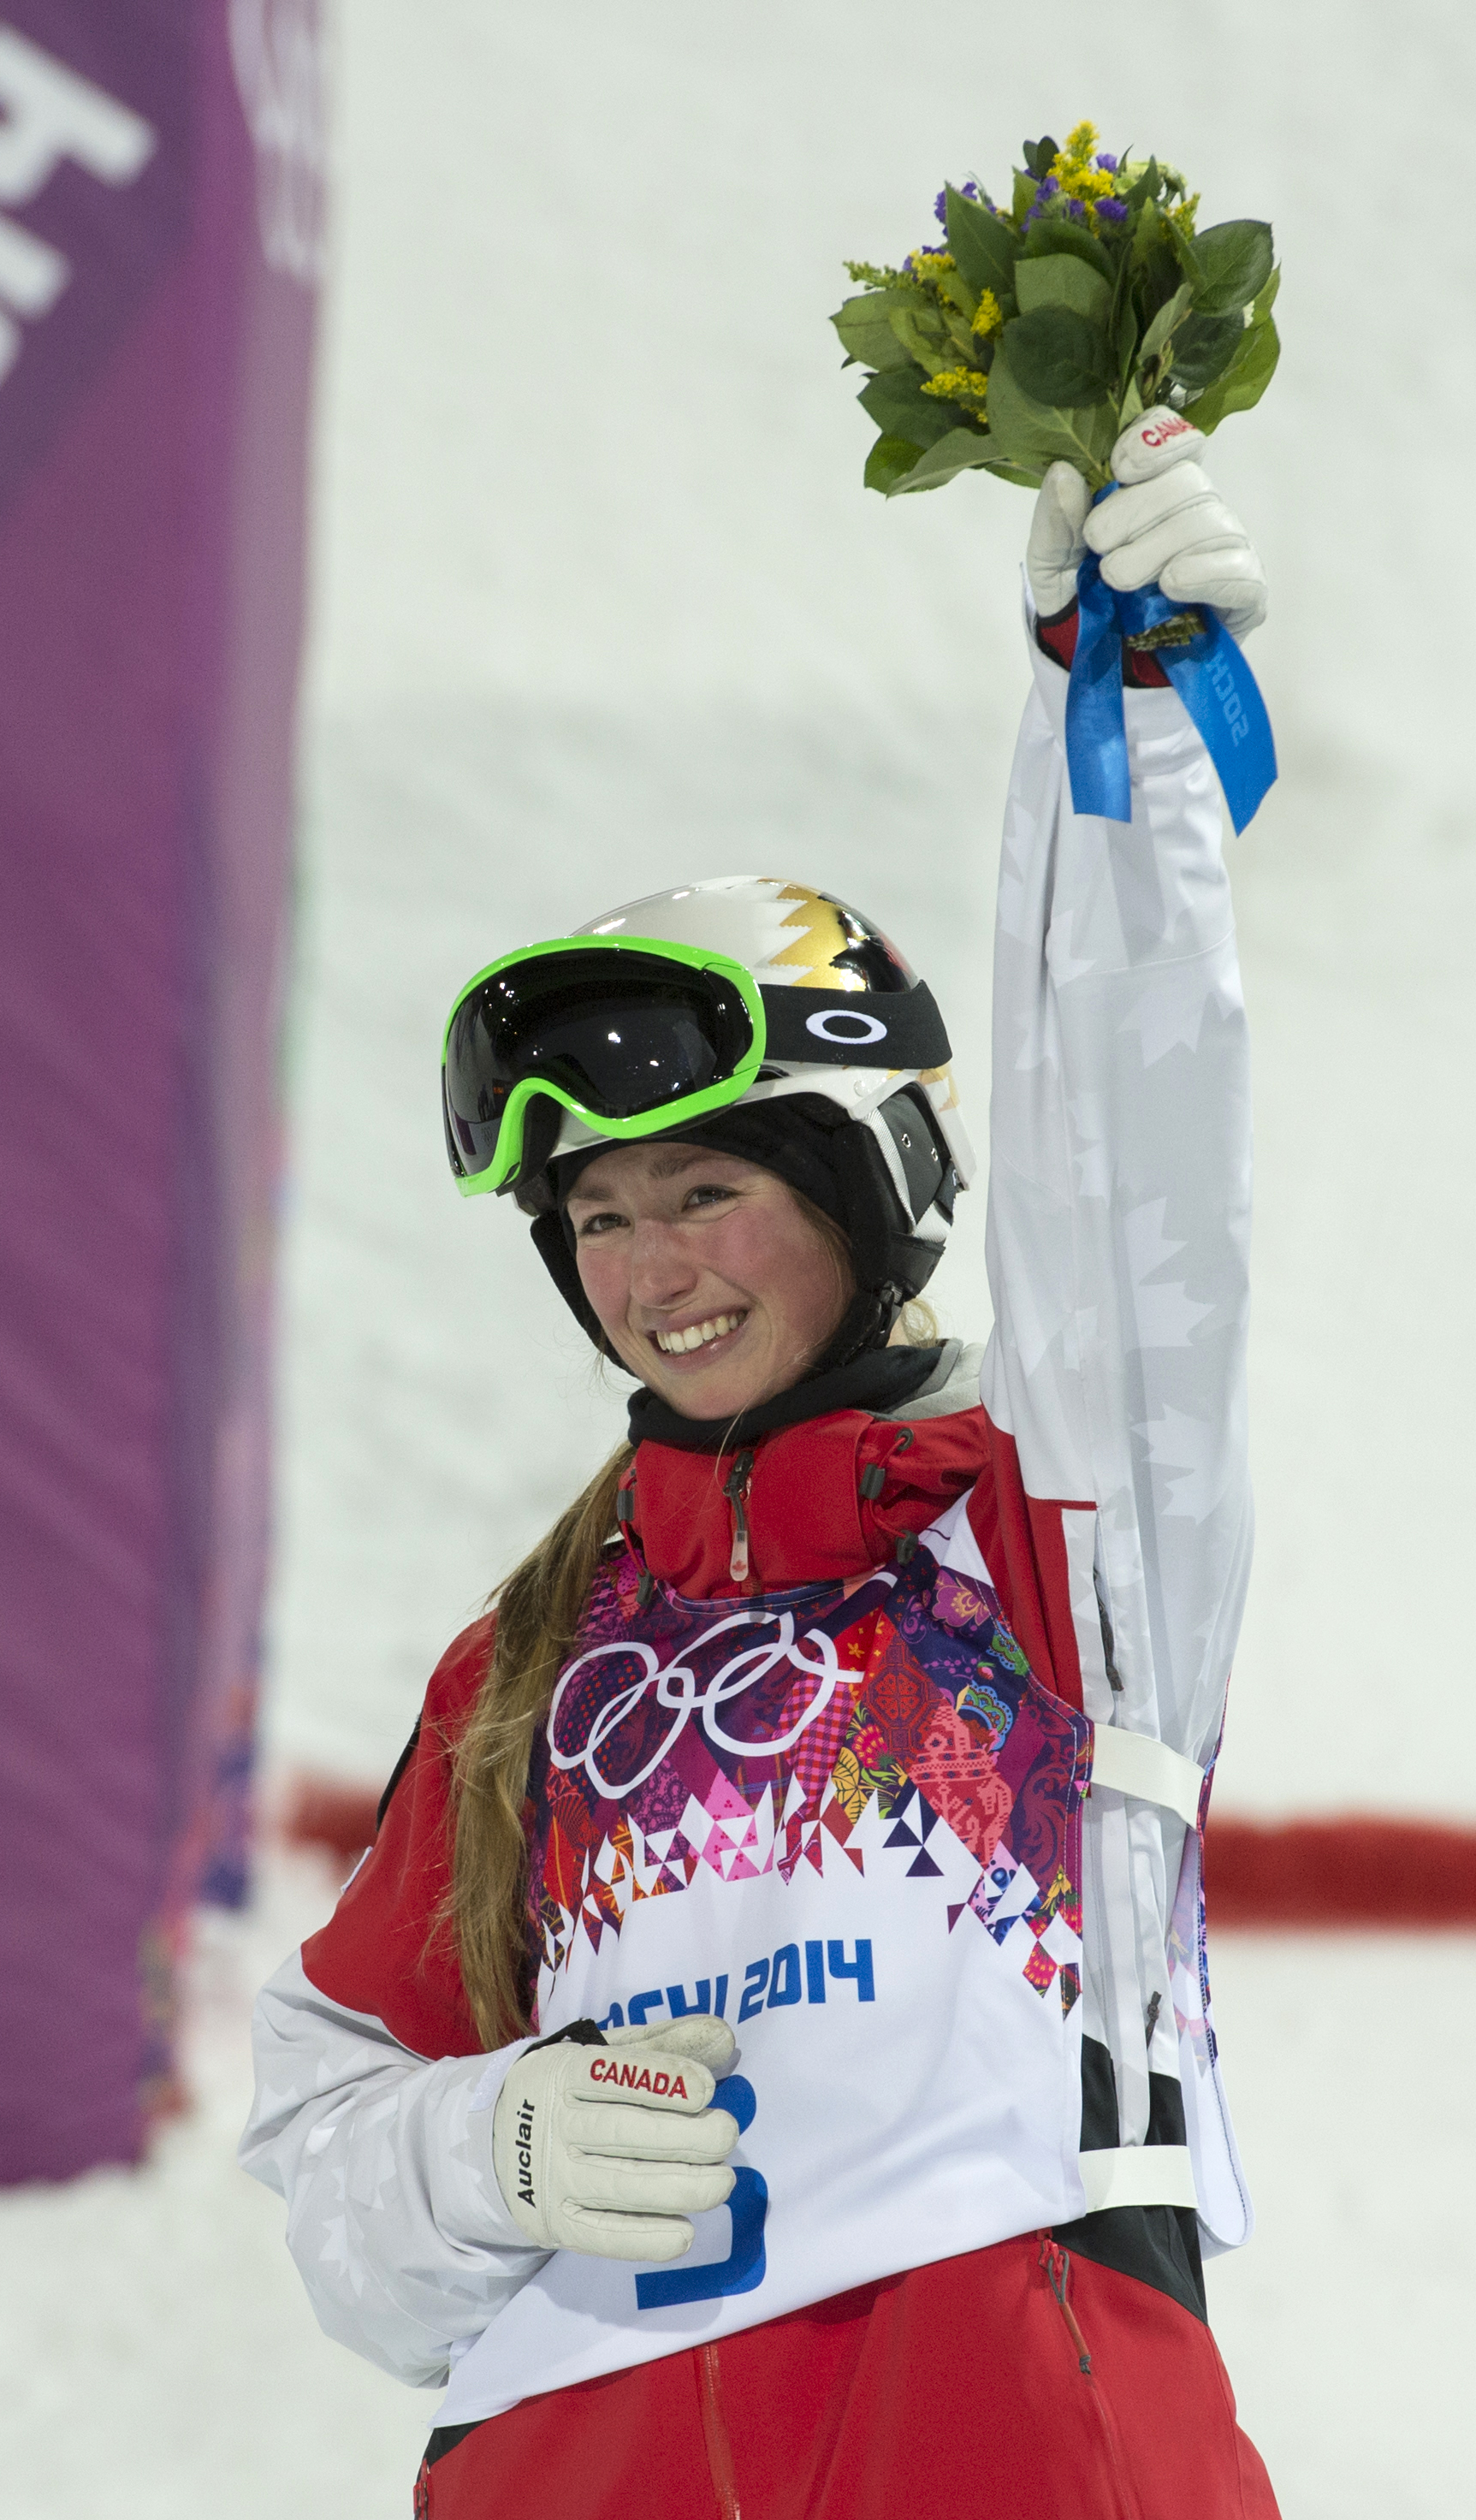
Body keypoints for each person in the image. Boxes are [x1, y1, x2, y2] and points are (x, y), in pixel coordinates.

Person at [241, 416, 1282, 2519]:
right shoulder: (527, 1661)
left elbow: (1133, 1167)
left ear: (875, 1180)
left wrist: (1129, 731)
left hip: (1007, 2445)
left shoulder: (1056, 1536)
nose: (650, 1272)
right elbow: (330, 2146)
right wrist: (486, 2148)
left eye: (708, 1190)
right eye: (598, 1223)